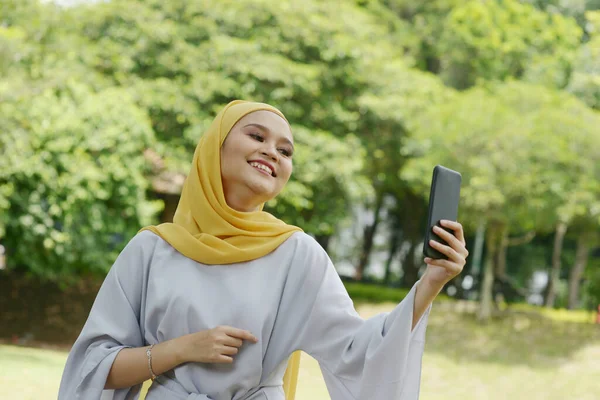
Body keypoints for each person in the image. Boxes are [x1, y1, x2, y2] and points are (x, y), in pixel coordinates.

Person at [58, 100, 468, 400]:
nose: (273, 151)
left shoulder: (296, 254)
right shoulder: (152, 249)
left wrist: (431, 282)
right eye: (256, 136)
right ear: (214, 148)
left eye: (286, 151)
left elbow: (358, 351)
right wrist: (181, 349)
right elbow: (93, 368)